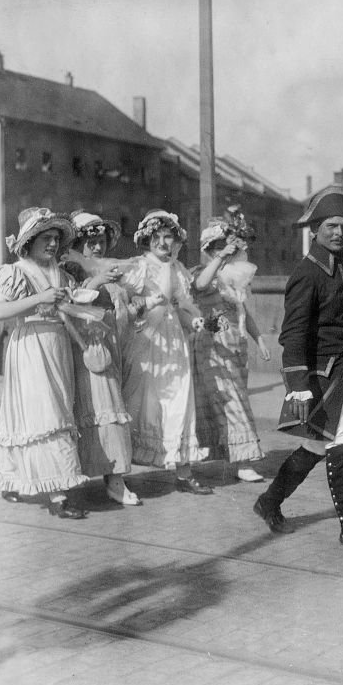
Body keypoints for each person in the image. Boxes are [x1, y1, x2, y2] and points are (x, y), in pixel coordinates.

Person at [252, 187, 343, 550]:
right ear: (314, 228)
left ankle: (268, 502)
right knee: (342, 444)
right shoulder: (306, 273)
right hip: (319, 378)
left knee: (314, 447)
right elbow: (292, 335)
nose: (340, 233)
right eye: (332, 226)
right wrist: (297, 383)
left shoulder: (341, 265)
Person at [0, 208, 88, 519]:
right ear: (29, 241)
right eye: (47, 238)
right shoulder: (15, 272)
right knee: (43, 415)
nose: (53, 245)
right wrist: (39, 298)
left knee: (57, 409)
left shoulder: (61, 274)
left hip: (57, 347)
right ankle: (58, 495)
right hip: (30, 347)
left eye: (57, 239)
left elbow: (67, 313)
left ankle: (13, 475)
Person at [119, 210, 209, 495]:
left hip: (173, 341)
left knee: (180, 399)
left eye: (167, 236)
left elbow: (178, 307)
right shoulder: (138, 267)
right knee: (139, 401)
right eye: (156, 237)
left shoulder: (179, 269)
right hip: (146, 340)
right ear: (147, 239)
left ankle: (184, 471)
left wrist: (192, 321)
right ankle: (120, 471)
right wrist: (144, 302)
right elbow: (126, 304)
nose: (162, 242)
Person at [62, 210, 139, 506]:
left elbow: (120, 311)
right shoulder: (70, 268)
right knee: (103, 407)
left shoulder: (109, 270)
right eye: (90, 242)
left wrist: (135, 309)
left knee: (109, 405)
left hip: (109, 344)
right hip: (85, 345)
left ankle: (112, 475)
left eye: (101, 241)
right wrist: (95, 281)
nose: (97, 247)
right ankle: (111, 478)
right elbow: (68, 304)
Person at [191, 217, 270, 482]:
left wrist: (258, 339)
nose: (222, 252)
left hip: (235, 347)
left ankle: (235, 458)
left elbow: (241, 311)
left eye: (225, 247)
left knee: (234, 401)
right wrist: (220, 258)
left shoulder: (231, 278)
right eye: (215, 248)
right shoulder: (201, 274)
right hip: (213, 347)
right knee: (231, 403)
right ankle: (243, 461)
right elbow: (200, 286)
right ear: (208, 250)